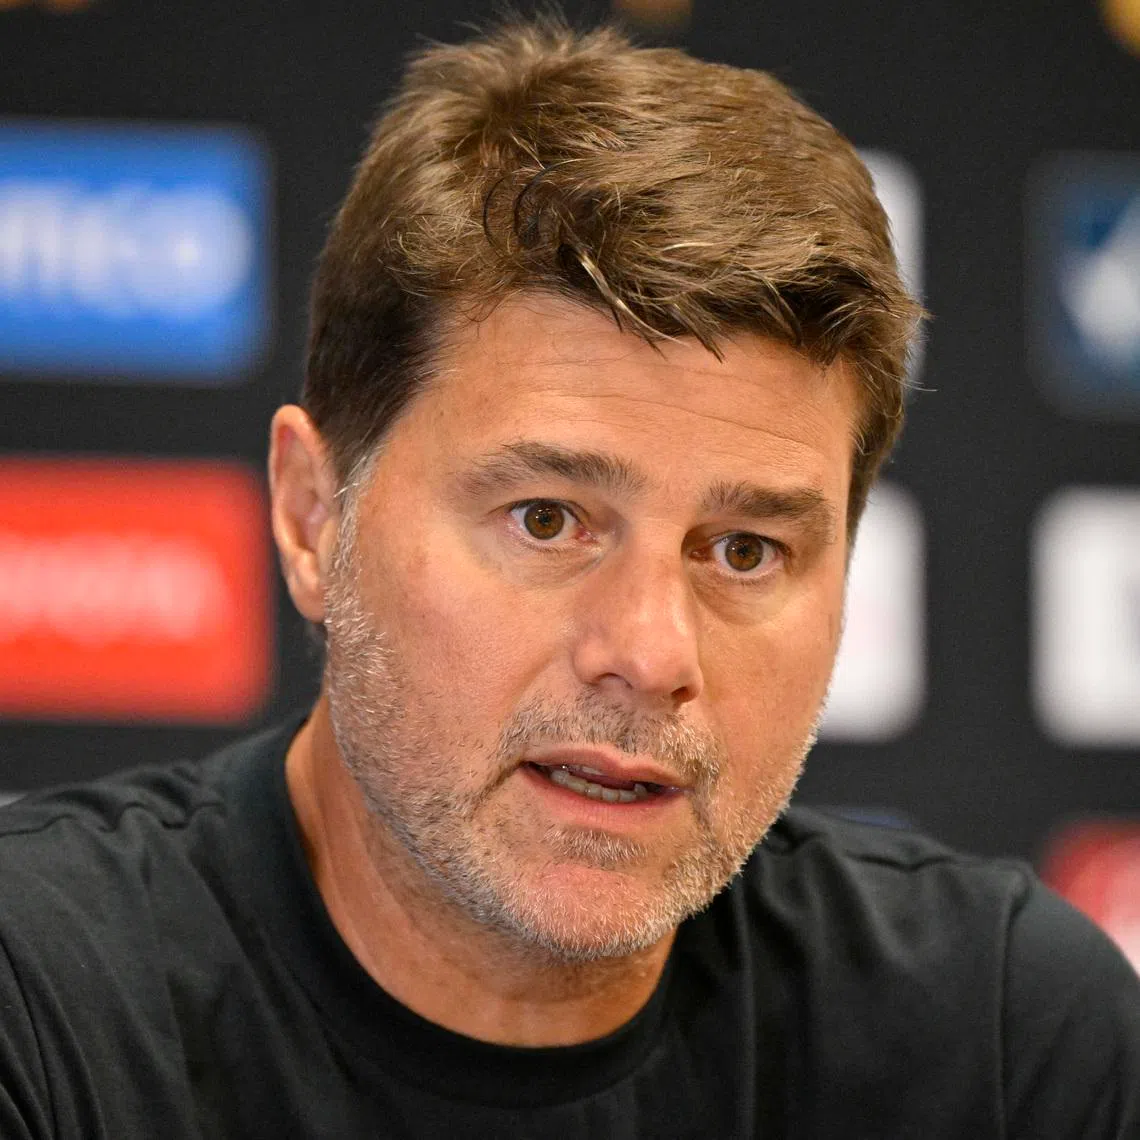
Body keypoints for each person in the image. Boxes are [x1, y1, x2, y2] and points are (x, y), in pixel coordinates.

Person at [0, 18, 1137, 1139]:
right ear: (312, 515)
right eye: (547, 520)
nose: (650, 653)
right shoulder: (41, 1001)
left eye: (745, 550)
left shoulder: (1006, 1041)